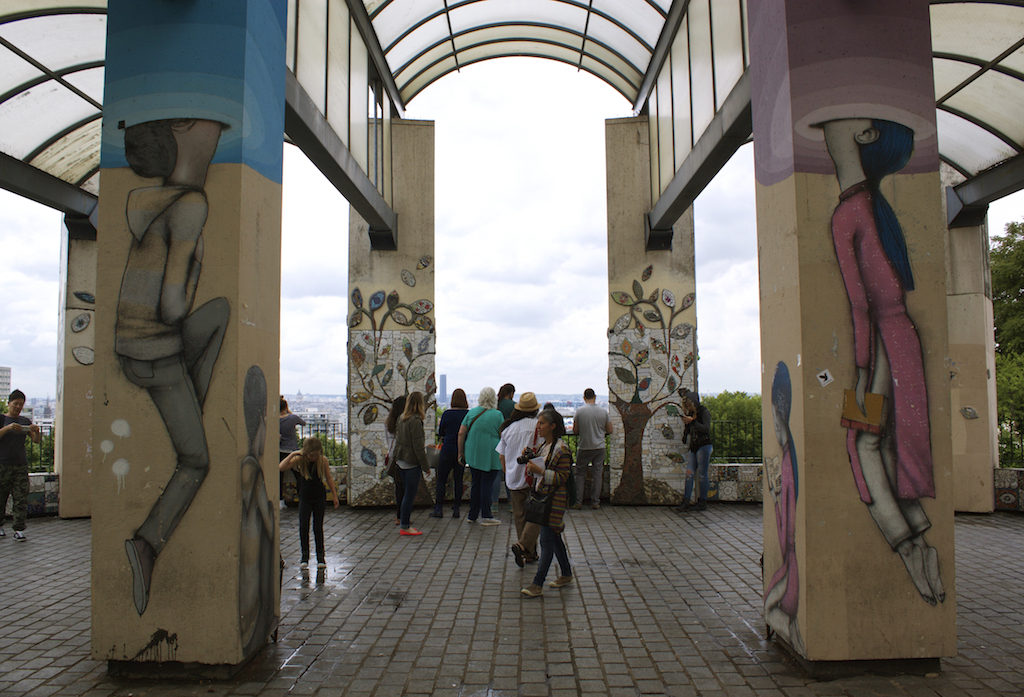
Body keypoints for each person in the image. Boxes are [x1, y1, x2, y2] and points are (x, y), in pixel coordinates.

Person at [823, 117, 944, 604]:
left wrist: (858, 364)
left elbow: (859, 302)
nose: (829, 130)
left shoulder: (848, 212)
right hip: (902, 339)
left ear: (864, 137)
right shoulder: (878, 208)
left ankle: (910, 547)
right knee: (888, 443)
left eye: (842, 123)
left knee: (861, 444)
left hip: (876, 346)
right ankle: (917, 536)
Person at [117, 118, 231, 615]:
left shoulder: (143, 200)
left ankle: (190, 405)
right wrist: (197, 269)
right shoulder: (191, 204)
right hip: (156, 354)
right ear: (182, 132)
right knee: (197, 461)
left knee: (220, 313)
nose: (217, 135)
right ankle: (146, 541)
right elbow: (172, 309)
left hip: (128, 347)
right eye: (211, 128)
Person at [520, 408, 574, 597]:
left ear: (552, 426)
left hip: (553, 502)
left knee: (546, 541)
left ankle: (538, 583)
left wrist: (541, 471)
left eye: (542, 423)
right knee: (554, 537)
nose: (539, 427)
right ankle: (566, 573)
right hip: (544, 499)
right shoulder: (544, 446)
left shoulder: (562, 450)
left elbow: (563, 477)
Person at [279, 436, 340, 569]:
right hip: (305, 497)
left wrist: (334, 496)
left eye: (315, 455)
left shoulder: (322, 461)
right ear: (306, 453)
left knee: (318, 527)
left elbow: (329, 478)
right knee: (303, 526)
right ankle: (304, 557)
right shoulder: (300, 460)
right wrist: (293, 454)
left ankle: (320, 557)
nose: (313, 458)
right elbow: (281, 467)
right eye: (311, 455)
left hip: (319, 496)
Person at [496, 392, 541, 566]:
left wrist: (508, 472)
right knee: (536, 516)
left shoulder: (509, 429)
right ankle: (527, 548)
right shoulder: (539, 426)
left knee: (520, 516)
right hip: (535, 478)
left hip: (514, 479)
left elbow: (502, 455)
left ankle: (526, 551)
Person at [458, 387, 504, 525]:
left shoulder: (472, 413)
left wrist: (460, 452)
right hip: (491, 454)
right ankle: (486, 515)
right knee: (487, 484)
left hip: (473, 453)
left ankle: (472, 515)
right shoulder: (497, 415)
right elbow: (503, 435)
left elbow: (461, 433)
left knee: (476, 484)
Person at [0, 390, 41, 541]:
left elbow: (36, 440)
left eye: (20, 404)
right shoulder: (2, 418)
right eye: (15, 403)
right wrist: (8, 428)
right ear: (9, 403)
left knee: (20, 497)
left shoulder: (25, 421)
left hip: (20, 465)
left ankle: (19, 528)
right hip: (2, 464)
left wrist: (35, 431)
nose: (17, 407)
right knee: (1, 496)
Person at [393, 391, 430, 536]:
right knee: (409, 494)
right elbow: (418, 447)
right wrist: (426, 466)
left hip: (401, 460)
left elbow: (398, 440)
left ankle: (403, 522)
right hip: (411, 462)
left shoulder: (401, 418)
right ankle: (405, 525)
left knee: (404, 493)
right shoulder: (415, 421)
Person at [572, 388, 612, 510]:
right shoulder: (603, 412)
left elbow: (575, 431)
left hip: (584, 446)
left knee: (580, 474)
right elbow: (609, 430)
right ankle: (595, 502)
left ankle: (578, 501)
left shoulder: (579, 412)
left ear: (584, 398)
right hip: (599, 447)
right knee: (597, 474)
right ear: (595, 397)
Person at [432, 388, 469, 518]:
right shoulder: (467, 414)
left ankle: (438, 508)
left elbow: (440, 432)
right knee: (458, 480)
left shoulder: (447, 414)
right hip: (461, 450)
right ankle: (457, 509)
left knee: (441, 479)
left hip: (447, 449)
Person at [676, 390, 712, 512]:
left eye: (689, 404)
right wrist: (685, 433)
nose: (688, 407)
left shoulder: (704, 412)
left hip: (704, 445)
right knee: (689, 473)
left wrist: (693, 422)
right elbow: (689, 429)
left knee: (702, 474)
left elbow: (706, 428)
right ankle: (686, 501)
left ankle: (702, 501)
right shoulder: (691, 413)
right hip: (694, 446)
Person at [384, 395, 408, 525]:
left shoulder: (389, 423)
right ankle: (404, 515)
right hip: (404, 457)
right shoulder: (404, 422)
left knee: (399, 488)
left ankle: (399, 515)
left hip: (393, 457)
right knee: (407, 489)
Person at [279, 397, 306, 508]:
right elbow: (303, 423)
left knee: (279, 476)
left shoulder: (274, 419)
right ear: (286, 407)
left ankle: (280, 500)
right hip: (293, 451)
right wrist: (289, 412)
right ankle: (302, 497)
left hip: (280, 450)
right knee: (299, 475)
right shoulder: (292, 418)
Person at [493, 383, 516, 506]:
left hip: (497, 441)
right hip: (511, 441)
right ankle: (511, 502)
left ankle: (494, 503)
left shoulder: (496, 405)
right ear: (511, 393)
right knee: (509, 471)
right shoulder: (514, 406)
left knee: (497, 472)